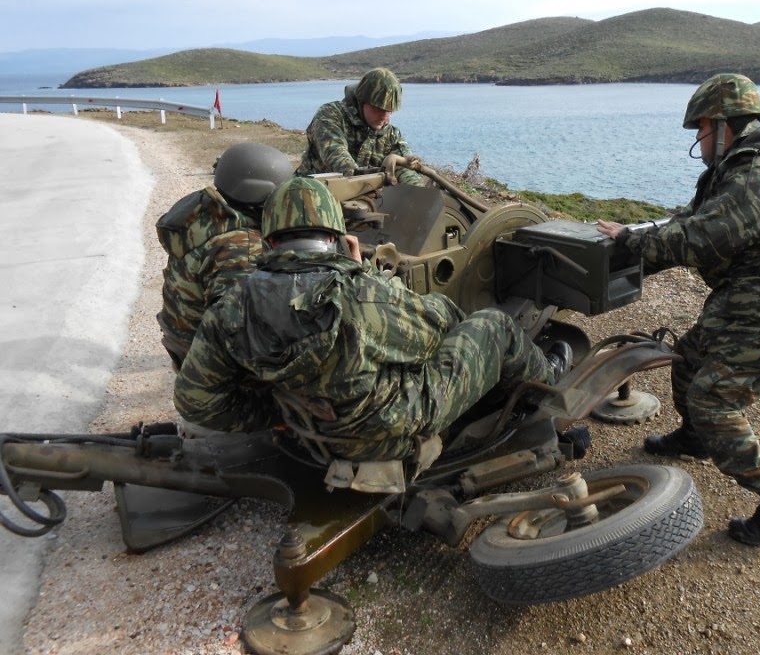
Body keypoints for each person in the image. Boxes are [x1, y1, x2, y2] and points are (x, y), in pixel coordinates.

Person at [596, 73, 760, 546]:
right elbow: (690, 222)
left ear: (723, 125)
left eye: (701, 129)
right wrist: (632, 240)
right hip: (756, 296)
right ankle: (695, 438)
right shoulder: (734, 170)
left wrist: (631, 241)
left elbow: (702, 239)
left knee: (713, 399)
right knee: (688, 356)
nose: (698, 140)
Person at [173, 177, 571, 466]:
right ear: (335, 234)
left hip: (306, 438)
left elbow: (195, 401)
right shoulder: (364, 293)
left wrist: (279, 412)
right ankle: (543, 383)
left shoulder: (233, 306)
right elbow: (444, 324)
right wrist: (372, 277)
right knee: (492, 327)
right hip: (387, 439)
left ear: (270, 238)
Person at [156, 141, 293, 369]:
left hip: (184, 342)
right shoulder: (242, 249)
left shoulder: (209, 216)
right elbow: (242, 335)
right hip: (211, 369)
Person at [296, 67, 423, 184]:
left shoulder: (391, 135)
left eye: (389, 111)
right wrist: (366, 182)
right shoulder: (330, 115)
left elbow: (404, 167)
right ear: (361, 102)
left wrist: (417, 190)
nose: (385, 117)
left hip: (361, 199)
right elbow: (337, 157)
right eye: (378, 109)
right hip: (311, 193)